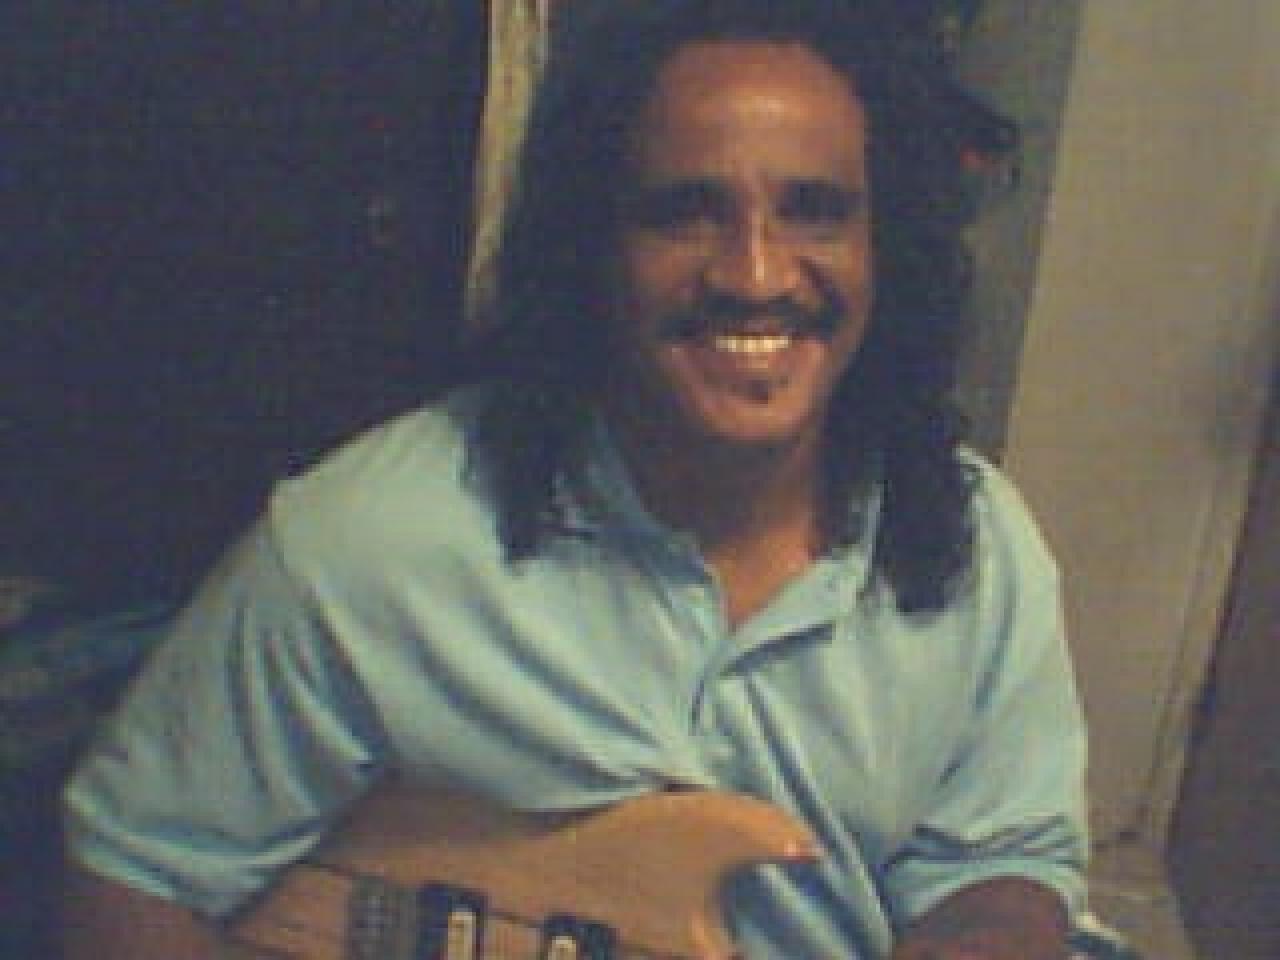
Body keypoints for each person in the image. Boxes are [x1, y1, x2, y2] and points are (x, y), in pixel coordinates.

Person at [61, 1, 1089, 957]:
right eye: (685, 213)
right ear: (590, 245)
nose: (755, 272)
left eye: (814, 212)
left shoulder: (976, 543)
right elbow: (130, 871)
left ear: (886, 248)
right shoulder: (372, 541)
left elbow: (1001, 860)